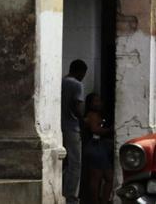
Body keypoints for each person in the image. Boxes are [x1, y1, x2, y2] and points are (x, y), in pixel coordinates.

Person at [62, 59, 88, 204]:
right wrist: (83, 121)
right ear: (80, 72)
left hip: (60, 127)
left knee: (65, 162)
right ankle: (71, 197)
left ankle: (63, 192)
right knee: (75, 163)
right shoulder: (77, 85)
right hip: (72, 127)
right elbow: (77, 106)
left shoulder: (62, 81)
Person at [82, 93, 115, 204]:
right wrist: (110, 130)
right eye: (95, 101)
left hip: (99, 148)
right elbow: (95, 130)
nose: (98, 103)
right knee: (96, 178)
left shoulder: (97, 115)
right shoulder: (92, 115)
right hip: (95, 148)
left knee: (107, 177)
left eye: (99, 100)